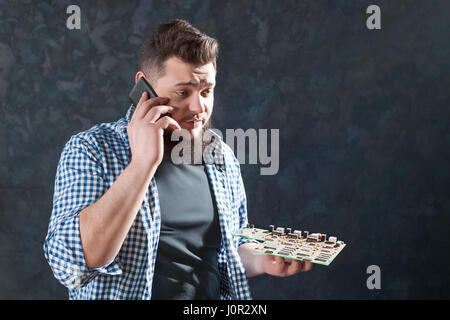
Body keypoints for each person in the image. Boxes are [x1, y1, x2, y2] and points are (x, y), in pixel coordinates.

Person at [43, 19, 312, 300]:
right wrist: (142, 164)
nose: (199, 107)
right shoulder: (92, 149)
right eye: (183, 92)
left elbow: (226, 251)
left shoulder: (219, 155)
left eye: (206, 91)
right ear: (143, 87)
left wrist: (261, 260)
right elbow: (70, 266)